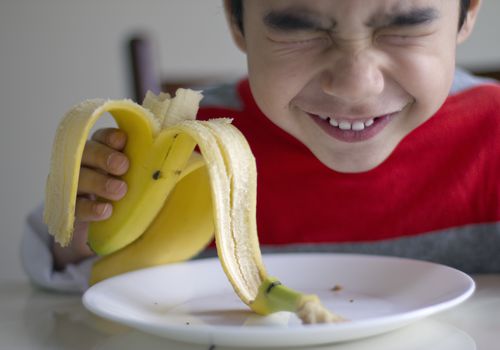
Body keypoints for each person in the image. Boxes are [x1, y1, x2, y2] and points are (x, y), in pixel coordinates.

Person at [22, 0, 500, 292]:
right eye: (301, 28)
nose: (355, 85)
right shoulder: (178, 142)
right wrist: (83, 230)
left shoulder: (492, 134)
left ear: (466, 14)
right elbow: (69, 293)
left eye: (405, 27)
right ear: (236, 19)